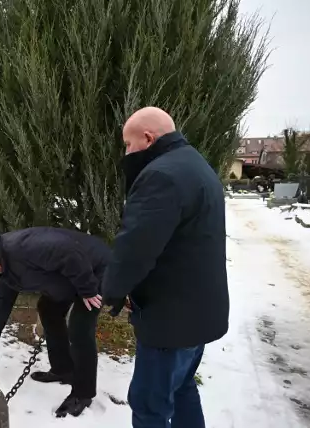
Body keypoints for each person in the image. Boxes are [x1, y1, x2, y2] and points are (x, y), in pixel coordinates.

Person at [102, 107, 229, 428]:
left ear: (148, 137)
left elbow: (136, 247)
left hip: (169, 319)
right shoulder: (197, 165)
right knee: (182, 387)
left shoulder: (162, 175)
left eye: (128, 145)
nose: (126, 153)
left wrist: (112, 293)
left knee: (149, 405)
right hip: (197, 312)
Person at [0, 228, 110, 418]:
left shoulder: (25, 247)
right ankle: (63, 369)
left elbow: (68, 251)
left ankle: (83, 394)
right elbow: (1, 302)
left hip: (95, 269)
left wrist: (88, 289)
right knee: (48, 309)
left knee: (80, 327)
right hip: (71, 279)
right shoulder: (5, 269)